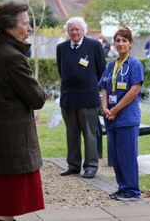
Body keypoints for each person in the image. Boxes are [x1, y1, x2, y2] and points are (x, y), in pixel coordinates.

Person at [0, 0, 47, 221]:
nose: (29, 28)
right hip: (14, 144)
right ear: (10, 27)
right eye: (25, 23)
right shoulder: (13, 57)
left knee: (2, 202)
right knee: (9, 205)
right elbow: (37, 98)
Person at [56, 17, 106, 178]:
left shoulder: (94, 45)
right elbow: (61, 72)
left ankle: (91, 166)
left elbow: (102, 71)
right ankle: (73, 165)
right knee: (71, 134)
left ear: (83, 30)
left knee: (89, 134)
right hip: (68, 99)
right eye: (71, 29)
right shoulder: (61, 48)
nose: (74, 32)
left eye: (77, 29)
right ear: (67, 31)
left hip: (88, 99)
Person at [98, 27, 144, 201]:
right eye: (118, 40)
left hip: (126, 118)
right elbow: (103, 87)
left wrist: (115, 109)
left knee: (127, 155)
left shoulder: (134, 64)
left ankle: (132, 190)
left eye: (124, 40)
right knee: (116, 157)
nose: (121, 43)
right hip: (111, 117)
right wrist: (105, 108)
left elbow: (134, 90)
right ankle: (122, 187)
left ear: (131, 44)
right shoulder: (111, 65)